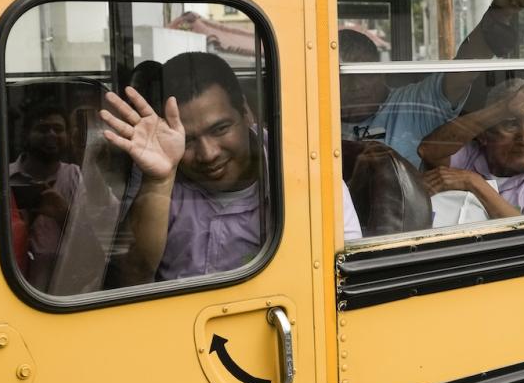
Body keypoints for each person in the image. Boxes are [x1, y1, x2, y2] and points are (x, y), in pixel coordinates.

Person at [101, 52, 360, 285]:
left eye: (220, 129)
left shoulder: (307, 172)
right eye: (188, 140)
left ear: (246, 112)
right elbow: (129, 278)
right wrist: (158, 182)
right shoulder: (159, 161)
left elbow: (340, 282)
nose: (208, 154)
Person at [339, 0, 524, 168]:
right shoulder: (312, 119)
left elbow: (462, 73)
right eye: (343, 75)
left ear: (381, 72)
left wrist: (499, 14)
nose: (355, 86)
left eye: (363, 73)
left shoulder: (412, 104)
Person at [418, 75, 524, 219]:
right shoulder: (472, 155)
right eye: (511, 124)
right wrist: (503, 109)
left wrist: (473, 183)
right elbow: (427, 150)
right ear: (484, 135)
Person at [9, 105, 81, 290]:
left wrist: (64, 214)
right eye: (42, 129)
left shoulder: (75, 176)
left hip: (65, 287)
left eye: (58, 129)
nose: (51, 135)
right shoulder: (3, 176)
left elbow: (98, 231)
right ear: (26, 134)